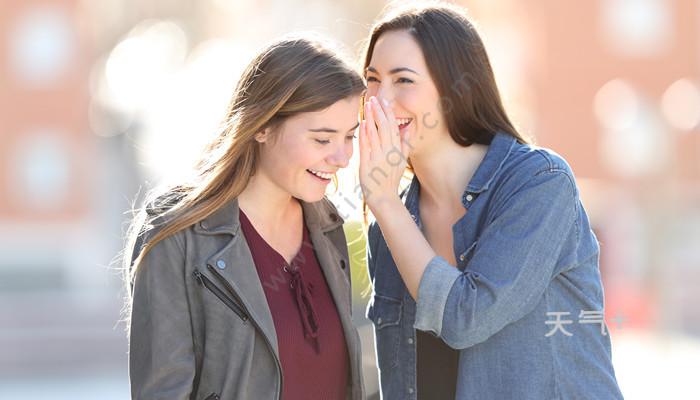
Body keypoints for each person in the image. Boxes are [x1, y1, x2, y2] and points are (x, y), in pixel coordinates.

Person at [357, 4, 624, 399]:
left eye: (403, 80)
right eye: (373, 80)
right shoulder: (390, 220)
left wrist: (384, 202)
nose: (380, 99)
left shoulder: (537, 184)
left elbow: (467, 318)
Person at [122, 35, 366, 400]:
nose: (343, 158)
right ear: (262, 126)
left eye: (349, 136)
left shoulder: (326, 224)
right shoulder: (176, 233)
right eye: (321, 140)